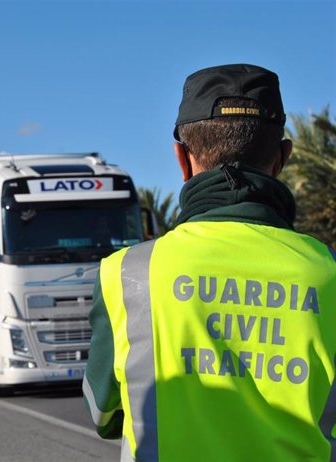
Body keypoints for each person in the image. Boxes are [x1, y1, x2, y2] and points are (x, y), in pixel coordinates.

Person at [83, 64, 336, 461]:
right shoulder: (330, 272)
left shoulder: (126, 273)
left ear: (182, 159)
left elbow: (103, 414)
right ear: (282, 157)